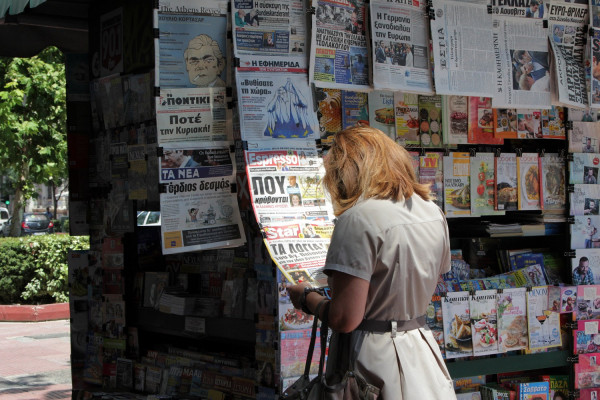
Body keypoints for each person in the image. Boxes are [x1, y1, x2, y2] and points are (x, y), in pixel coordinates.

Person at [286, 126, 456, 399]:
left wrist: (307, 298)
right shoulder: (432, 212)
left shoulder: (357, 219)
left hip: (372, 360)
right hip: (421, 352)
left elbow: (344, 318)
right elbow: (427, 281)